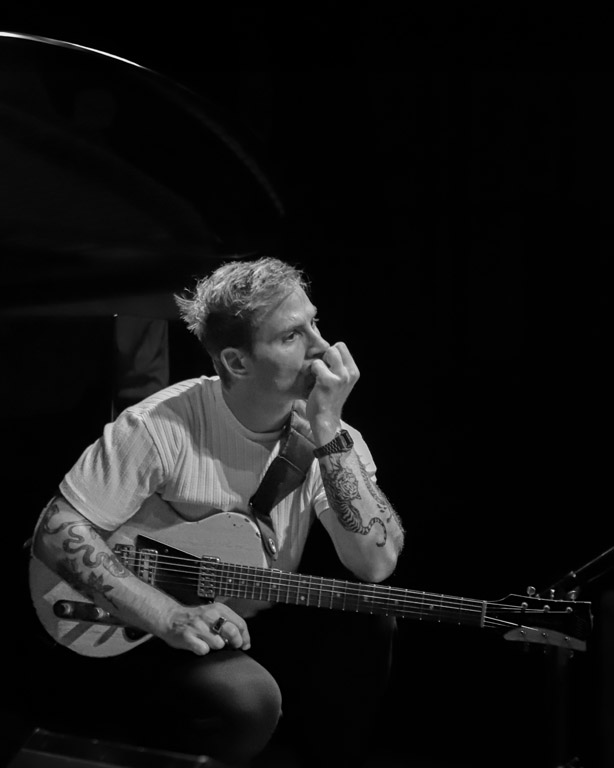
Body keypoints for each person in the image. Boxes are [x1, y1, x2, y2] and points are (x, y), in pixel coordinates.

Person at [26, 255, 405, 768]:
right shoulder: (160, 425)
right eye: (292, 336)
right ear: (237, 362)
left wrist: (328, 431)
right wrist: (168, 615)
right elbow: (56, 530)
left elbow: (376, 563)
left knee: (370, 621)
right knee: (246, 700)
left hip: (248, 614)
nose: (322, 347)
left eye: (314, 323)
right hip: (145, 628)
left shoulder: (330, 435)